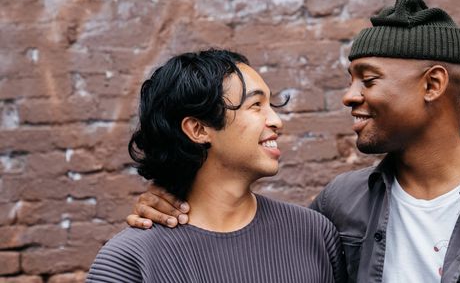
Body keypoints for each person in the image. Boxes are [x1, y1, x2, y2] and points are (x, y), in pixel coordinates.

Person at [125, 0, 460, 283]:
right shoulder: (338, 207)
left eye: (367, 80)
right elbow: (246, 239)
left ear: (433, 85)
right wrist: (171, 192)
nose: (349, 97)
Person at [87, 49, 347, 283]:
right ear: (198, 129)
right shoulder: (129, 260)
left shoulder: (314, 233)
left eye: (271, 104)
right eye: (256, 105)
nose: (277, 121)